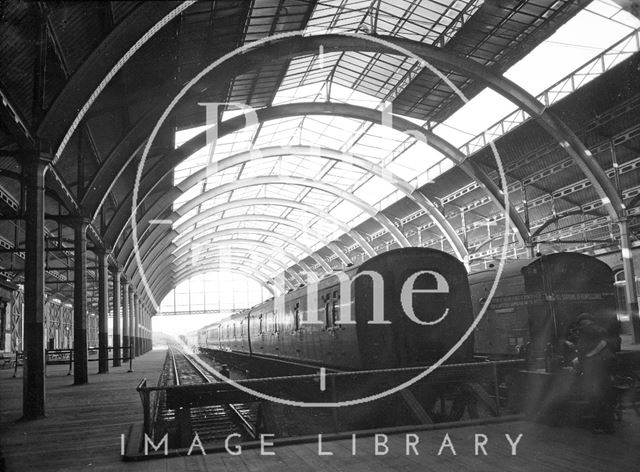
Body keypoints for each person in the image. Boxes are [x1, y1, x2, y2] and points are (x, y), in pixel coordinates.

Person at [571, 313, 616, 433]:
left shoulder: (586, 331)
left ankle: (602, 426)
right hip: (605, 367)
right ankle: (608, 425)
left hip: (594, 369)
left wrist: (581, 361)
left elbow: (583, 351)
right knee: (604, 397)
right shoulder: (600, 330)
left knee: (596, 397)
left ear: (582, 323)